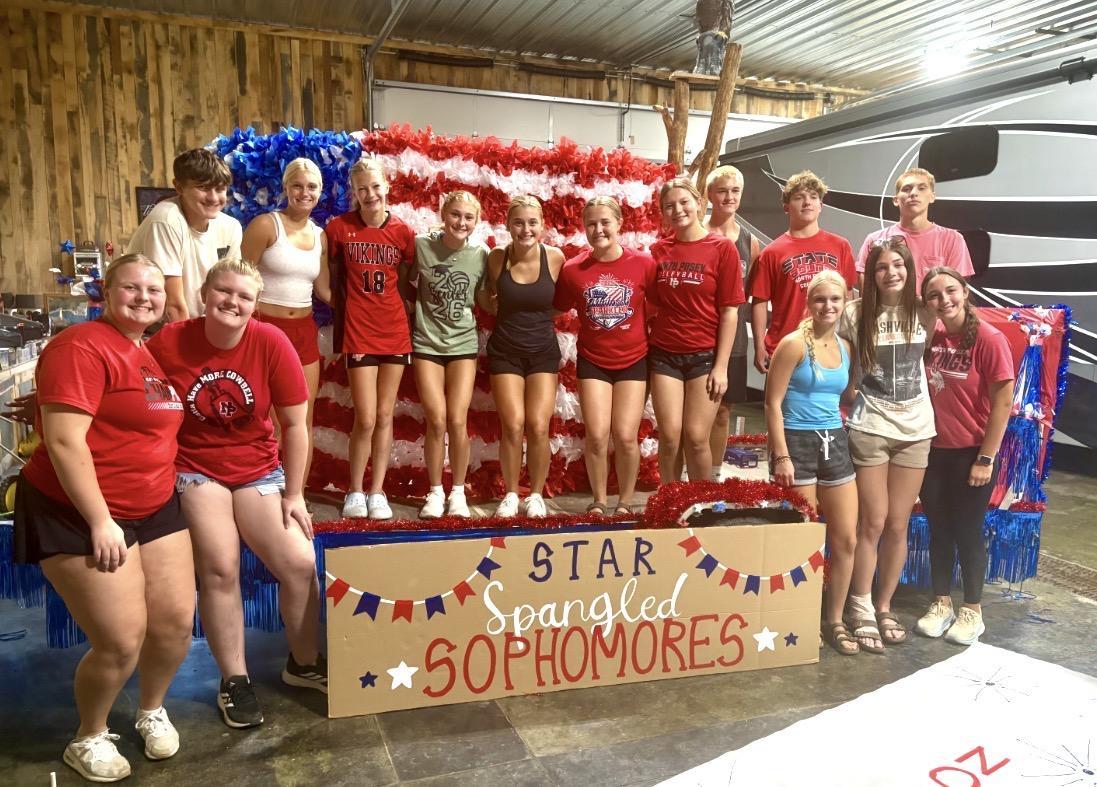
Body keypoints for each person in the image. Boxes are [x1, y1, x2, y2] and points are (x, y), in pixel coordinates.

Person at [15, 254, 191, 782]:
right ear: (106, 291)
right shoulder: (81, 345)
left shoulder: (144, 351)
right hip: (79, 510)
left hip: (154, 505)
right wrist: (99, 520)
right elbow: (64, 441)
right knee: (120, 640)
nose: (144, 297)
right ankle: (88, 735)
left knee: (175, 624)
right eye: (131, 287)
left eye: (154, 290)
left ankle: (151, 709)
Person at [147, 259, 323, 729]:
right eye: (224, 291)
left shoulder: (271, 341)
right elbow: (125, 383)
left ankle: (304, 663)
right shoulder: (169, 341)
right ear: (205, 294)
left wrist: (294, 494)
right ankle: (235, 679)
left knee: (300, 562)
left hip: (258, 468)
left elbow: (295, 425)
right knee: (220, 566)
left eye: (244, 296)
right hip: (195, 467)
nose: (233, 302)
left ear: (255, 304)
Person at [840, 237, 936, 653]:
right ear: (871, 273)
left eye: (899, 265)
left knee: (899, 524)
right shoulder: (854, 313)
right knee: (873, 522)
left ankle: (883, 606)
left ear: (909, 270)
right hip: (870, 428)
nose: (891, 272)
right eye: (882, 266)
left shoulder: (926, 312)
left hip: (916, 431)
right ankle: (859, 604)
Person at [916, 266, 1014, 645]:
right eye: (934, 295)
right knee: (939, 529)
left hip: (972, 454)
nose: (944, 300)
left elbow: (1002, 402)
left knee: (968, 531)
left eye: (950, 291)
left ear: (965, 292)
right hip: (933, 453)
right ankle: (941, 602)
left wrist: (985, 458)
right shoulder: (933, 335)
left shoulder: (989, 339)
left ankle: (972, 609)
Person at [764, 270, 860, 655]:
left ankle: (834, 618)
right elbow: (771, 403)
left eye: (835, 299)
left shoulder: (846, 347)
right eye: (820, 299)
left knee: (846, 538)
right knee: (803, 540)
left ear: (845, 302)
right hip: (796, 443)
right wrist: (781, 455)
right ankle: (801, 616)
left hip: (834, 441)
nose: (828, 306)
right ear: (809, 303)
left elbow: (847, 396)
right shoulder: (792, 345)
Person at [322, 158, 416, 519]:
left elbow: (406, 280)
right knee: (364, 418)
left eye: (375, 186)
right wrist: (344, 309)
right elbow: (329, 278)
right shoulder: (339, 229)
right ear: (354, 193)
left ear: (386, 187)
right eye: (362, 189)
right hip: (359, 333)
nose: (370, 194)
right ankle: (355, 490)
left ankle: (377, 491)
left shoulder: (403, 232)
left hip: (394, 332)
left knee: (384, 414)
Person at [554, 197, 655, 515]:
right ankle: (598, 500)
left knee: (625, 436)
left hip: (633, 360)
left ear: (619, 223)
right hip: (593, 361)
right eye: (591, 224)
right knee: (597, 435)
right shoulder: (573, 269)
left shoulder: (643, 263)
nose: (598, 229)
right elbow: (555, 307)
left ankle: (625, 501)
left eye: (605, 222)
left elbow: (657, 306)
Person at [649, 177, 744, 485]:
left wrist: (721, 366)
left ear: (699, 203)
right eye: (669, 206)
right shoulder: (658, 250)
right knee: (670, 437)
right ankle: (671, 500)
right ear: (663, 213)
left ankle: (701, 501)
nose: (677, 210)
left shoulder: (722, 248)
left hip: (704, 357)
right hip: (664, 355)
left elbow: (730, 311)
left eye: (683, 202)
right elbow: (650, 304)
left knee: (696, 437)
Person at [240, 157, 327, 488]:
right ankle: (264, 493)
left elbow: (324, 290)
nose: (305, 193)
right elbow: (241, 279)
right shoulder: (265, 225)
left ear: (320, 191)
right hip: (265, 328)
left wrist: (372, 304)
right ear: (286, 187)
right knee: (269, 419)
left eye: (312, 187)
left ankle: (297, 495)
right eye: (298, 186)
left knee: (303, 419)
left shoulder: (320, 236)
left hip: (304, 331)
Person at [480, 196, 565, 517]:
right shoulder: (497, 258)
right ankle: (512, 493)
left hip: (542, 352)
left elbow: (561, 303)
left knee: (539, 426)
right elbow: (487, 296)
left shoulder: (555, 257)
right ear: (507, 225)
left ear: (541, 225)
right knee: (513, 425)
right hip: (505, 352)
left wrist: (536, 319)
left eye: (532, 222)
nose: (525, 229)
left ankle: (537, 495)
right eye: (518, 222)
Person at [412, 191, 488, 518]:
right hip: (427, 344)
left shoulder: (481, 254)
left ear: (477, 221)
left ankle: (457, 491)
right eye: (455, 215)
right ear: (444, 215)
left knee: (457, 420)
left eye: (469, 217)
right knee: (436, 419)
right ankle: (434, 491)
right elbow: (404, 282)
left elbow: (484, 298)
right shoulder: (421, 245)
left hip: (463, 346)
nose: (461, 222)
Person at [748, 170, 857, 377]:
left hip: (830, 345)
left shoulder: (840, 246)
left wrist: (848, 337)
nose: (807, 202)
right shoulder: (772, 252)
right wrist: (759, 346)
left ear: (820, 206)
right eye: (799, 197)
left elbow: (849, 294)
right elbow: (760, 301)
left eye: (813, 197)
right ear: (786, 207)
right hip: (784, 346)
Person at [127, 148, 242, 321]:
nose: (213, 198)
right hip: (154, 325)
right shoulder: (166, 220)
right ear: (179, 187)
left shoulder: (231, 226)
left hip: (202, 323)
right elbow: (173, 305)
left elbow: (231, 286)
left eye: (220, 189)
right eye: (203, 188)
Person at [704, 165, 762, 480]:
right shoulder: (698, 234)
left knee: (723, 410)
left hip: (735, 338)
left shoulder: (750, 242)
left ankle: (714, 475)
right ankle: (689, 474)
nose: (729, 197)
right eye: (722, 191)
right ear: (710, 195)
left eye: (735, 191)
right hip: (700, 334)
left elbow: (750, 295)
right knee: (694, 416)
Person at [855, 167, 975, 293]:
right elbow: (867, 291)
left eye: (921, 188)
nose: (913, 193)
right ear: (896, 200)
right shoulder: (874, 240)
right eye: (906, 189)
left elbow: (956, 291)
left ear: (932, 197)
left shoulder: (953, 240)